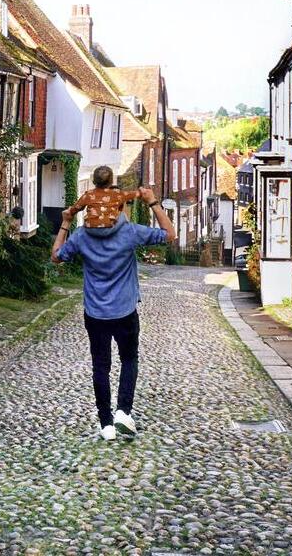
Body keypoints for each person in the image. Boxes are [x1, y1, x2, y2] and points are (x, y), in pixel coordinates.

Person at [51, 178, 176, 441]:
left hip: (95, 313)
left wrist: (65, 221)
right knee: (129, 359)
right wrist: (152, 201)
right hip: (125, 311)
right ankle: (123, 411)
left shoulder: (82, 235)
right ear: (117, 209)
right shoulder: (129, 232)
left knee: (100, 366)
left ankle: (106, 424)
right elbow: (169, 235)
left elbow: (57, 255)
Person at [68, 164, 140, 229]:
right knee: (122, 216)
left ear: (94, 181)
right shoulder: (117, 194)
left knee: (79, 232)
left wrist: (70, 211)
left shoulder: (88, 194)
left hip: (91, 228)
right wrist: (141, 192)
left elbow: (75, 209)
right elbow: (133, 194)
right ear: (111, 181)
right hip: (109, 227)